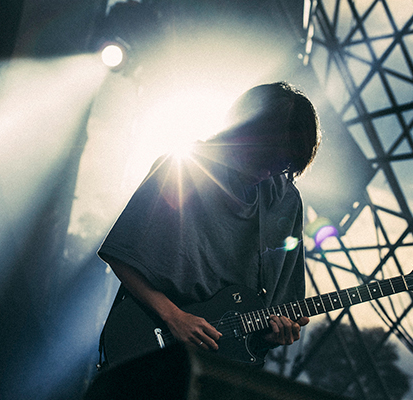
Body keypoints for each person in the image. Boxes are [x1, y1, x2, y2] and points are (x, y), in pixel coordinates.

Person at [97, 82, 320, 362]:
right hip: (150, 343)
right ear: (241, 133)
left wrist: (274, 335)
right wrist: (174, 317)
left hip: (220, 367)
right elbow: (122, 255)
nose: (266, 172)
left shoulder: (286, 201)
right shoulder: (183, 167)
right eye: (263, 158)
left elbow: (271, 318)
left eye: (282, 166)